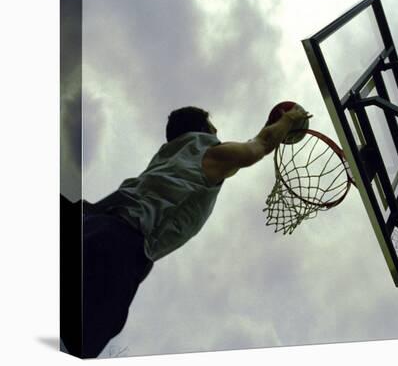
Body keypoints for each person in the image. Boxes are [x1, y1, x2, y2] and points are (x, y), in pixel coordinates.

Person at [62, 104, 310, 358]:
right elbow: (260, 145)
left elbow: (254, 142)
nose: (217, 132)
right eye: (213, 128)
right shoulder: (209, 154)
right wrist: (290, 119)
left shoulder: (172, 155)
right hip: (119, 245)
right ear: (204, 130)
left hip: (92, 227)